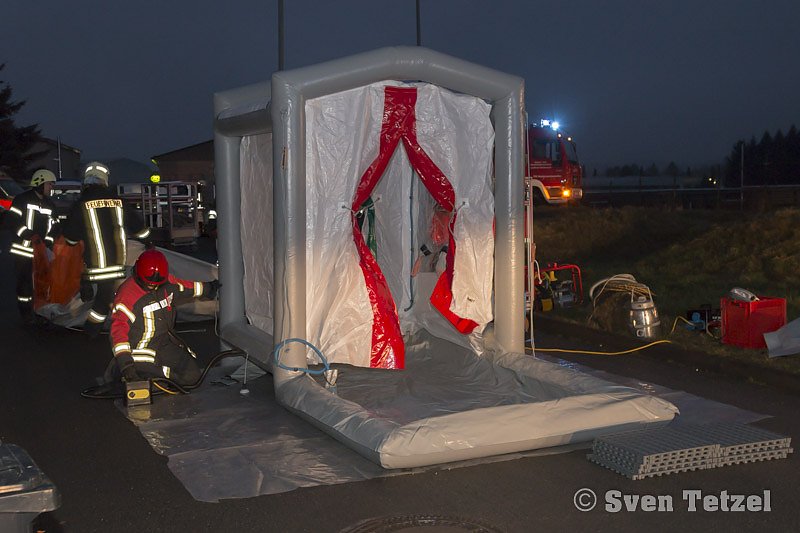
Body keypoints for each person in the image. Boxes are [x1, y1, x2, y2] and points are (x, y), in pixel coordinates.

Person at [63, 161, 151, 337]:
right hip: (116, 263)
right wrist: (148, 241)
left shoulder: (80, 205)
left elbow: (70, 239)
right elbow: (140, 230)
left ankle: (91, 317)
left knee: (103, 297)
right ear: (105, 180)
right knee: (106, 298)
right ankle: (92, 329)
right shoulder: (118, 202)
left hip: (92, 265)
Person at [108, 249, 218, 386]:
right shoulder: (127, 296)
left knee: (191, 377)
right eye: (149, 284)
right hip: (139, 351)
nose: (153, 287)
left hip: (163, 344)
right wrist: (126, 365)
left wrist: (209, 288)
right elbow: (118, 331)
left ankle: (149, 378)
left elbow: (185, 287)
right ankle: (119, 371)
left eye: (157, 285)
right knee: (168, 379)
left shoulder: (167, 284)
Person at [7, 169, 59, 323]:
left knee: (41, 284)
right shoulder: (21, 200)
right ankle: (25, 312)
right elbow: (12, 222)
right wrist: (29, 236)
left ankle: (39, 312)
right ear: (39, 183)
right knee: (24, 284)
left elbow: (55, 226)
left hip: (42, 252)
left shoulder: (50, 204)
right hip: (23, 251)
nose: (51, 188)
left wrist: (48, 241)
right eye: (49, 184)